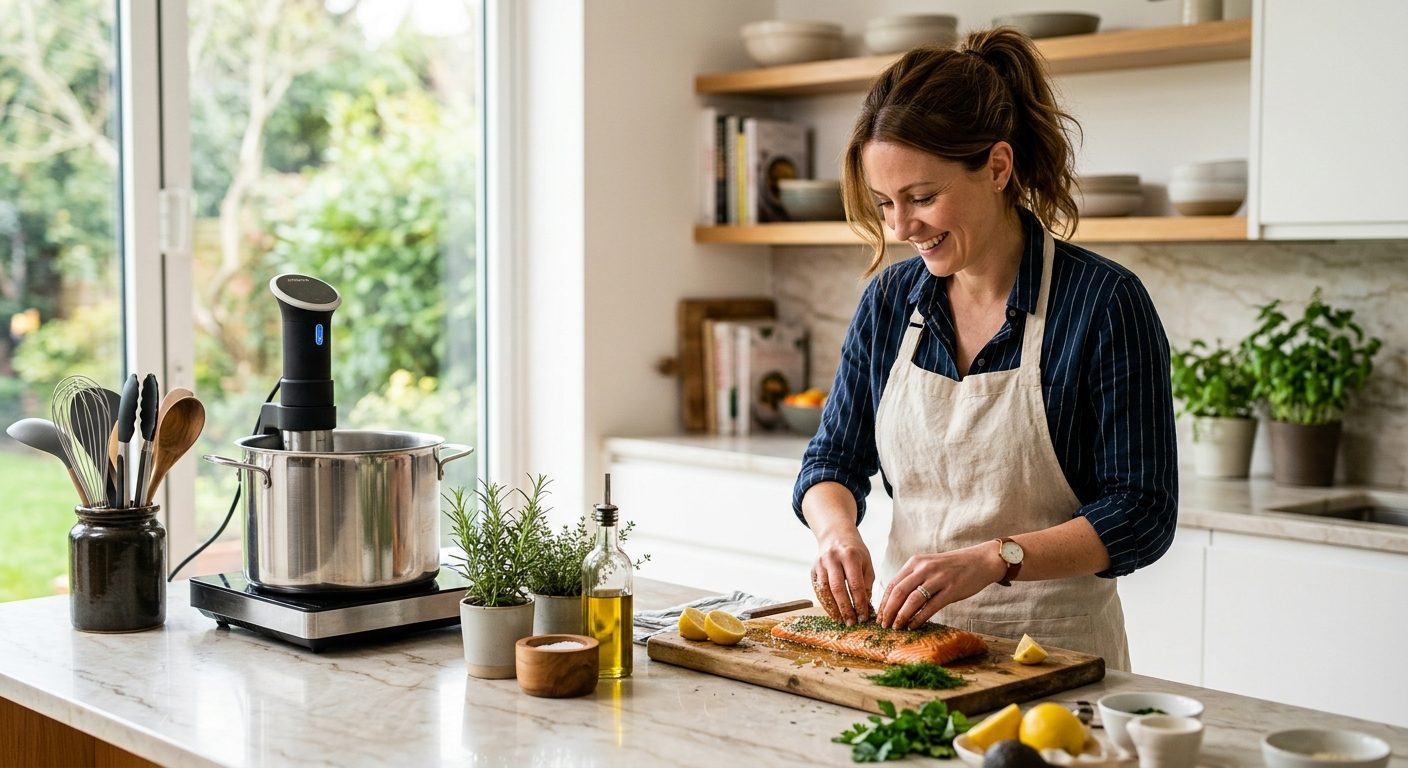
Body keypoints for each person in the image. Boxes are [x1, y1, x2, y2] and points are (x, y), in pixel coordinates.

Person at [792, 28, 1177, 671]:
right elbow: (832, 457)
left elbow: (1142, 512)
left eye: (921, 198)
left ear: (997, 167)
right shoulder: (892, 301)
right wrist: (836, 532)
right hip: (908, 656)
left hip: (1054, 659)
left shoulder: (1104, 303)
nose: (900, 228)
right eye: (885, 203)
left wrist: (993, 559)